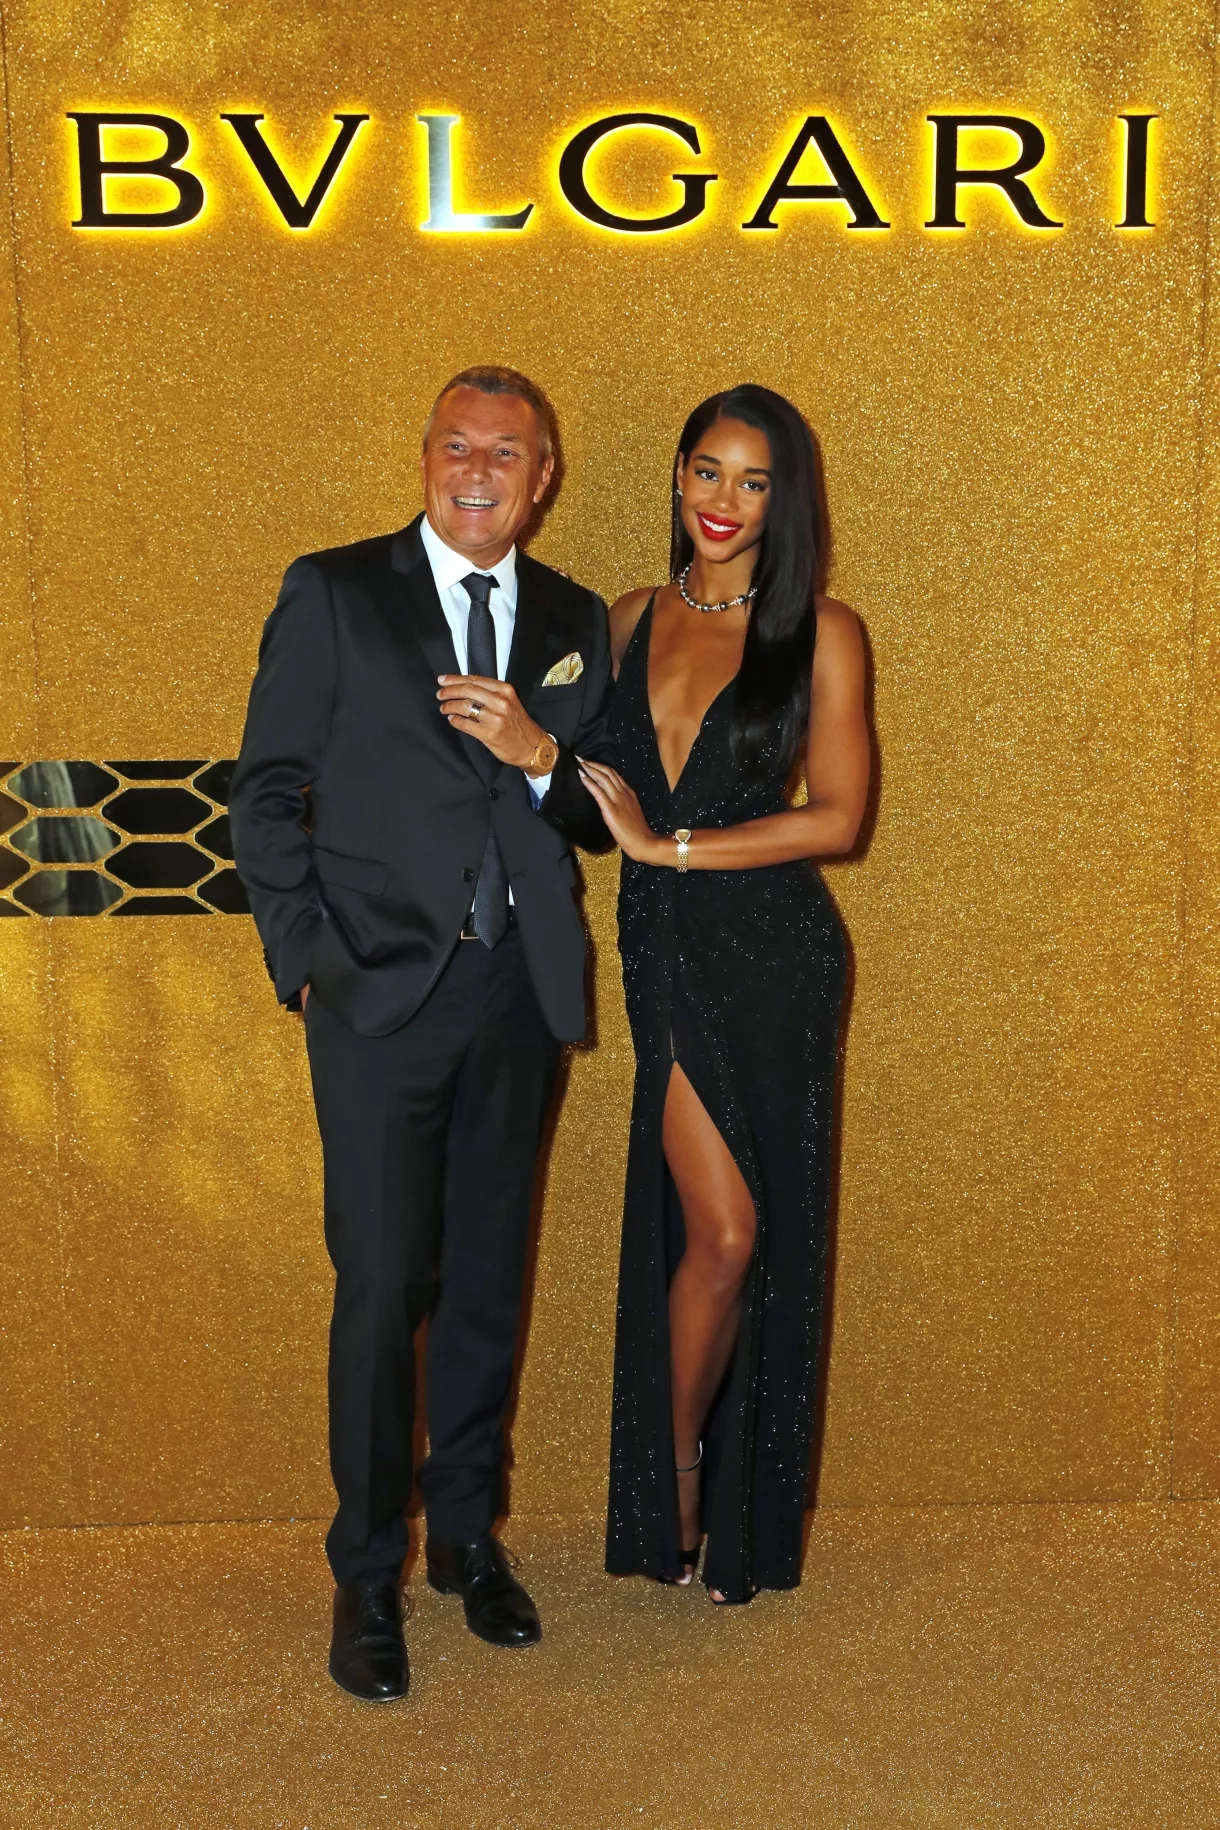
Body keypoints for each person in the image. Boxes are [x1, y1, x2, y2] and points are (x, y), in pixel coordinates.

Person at [230, 366, 614, 1700]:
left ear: (542, 477)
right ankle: (365, 1571)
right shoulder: (336, 592)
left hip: (517, 992)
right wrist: (307, 962)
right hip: (379, 999)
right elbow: (265, 790)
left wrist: (537, 754)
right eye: (458, 444)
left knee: (488, 1278)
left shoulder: (571, 619)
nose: (479, 470)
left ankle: (464, 1539)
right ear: (426, 457)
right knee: (386, 1282)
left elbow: (593, 813)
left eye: (507, 452)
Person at [578, 384, 869, 1604]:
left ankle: (689, 1479)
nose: (723, 501)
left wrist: (671, 847)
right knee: (720, 1231)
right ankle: (682, 1474)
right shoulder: (624, 618)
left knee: (748, 1235)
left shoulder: (821, 632)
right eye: (707, 470)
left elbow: (837, 819)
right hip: (663, 952)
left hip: (777, 957)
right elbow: (583, 797)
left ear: (781, 501)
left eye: (753, 482)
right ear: (677, 474)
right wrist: (534, 756)